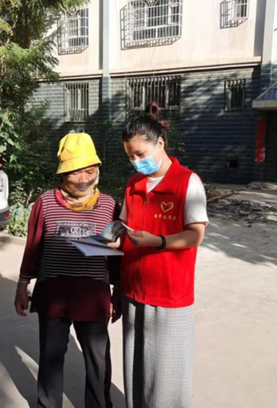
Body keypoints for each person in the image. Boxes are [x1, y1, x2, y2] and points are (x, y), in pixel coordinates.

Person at [14, 132, 121, 408]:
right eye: (75, 172)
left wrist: (117, 292)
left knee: (97, 361)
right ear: (63, 173)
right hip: (53, 293)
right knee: (50, 358)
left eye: (89, 171)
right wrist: (22, 284)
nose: (83, 179)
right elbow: (33, 246)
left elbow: (114, 257)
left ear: (98, 169)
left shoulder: (109, 206)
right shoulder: (45, 203)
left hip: (93, 295)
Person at [119, 103, 208, 408]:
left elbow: (195, 235)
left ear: (160, 143)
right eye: (130, 156)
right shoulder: (133, 185)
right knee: (135, 367)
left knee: (165, 375)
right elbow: (124, 225)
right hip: (133, 289)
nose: (135, 161)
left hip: (169, 293)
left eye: (140, 154)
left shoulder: (187, 182)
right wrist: (108, 239)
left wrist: (158, 241)